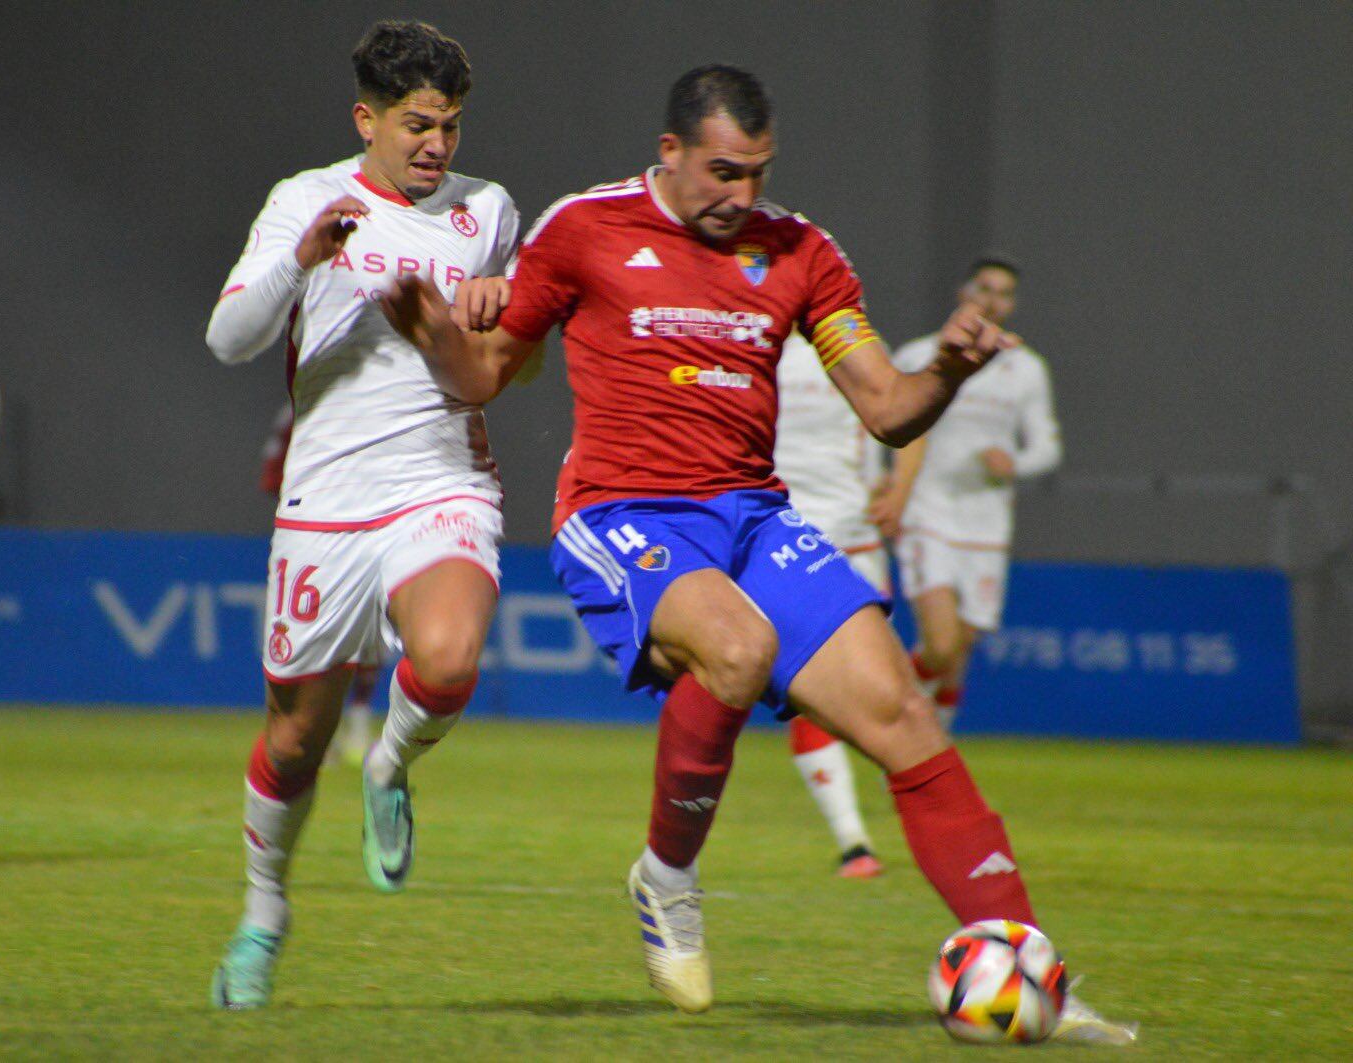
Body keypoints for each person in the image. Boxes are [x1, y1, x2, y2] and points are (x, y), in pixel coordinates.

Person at [382, 65, 1132, 1043]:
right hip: (622, 514)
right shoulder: (584, 229)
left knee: (904, 712)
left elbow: (887, 407)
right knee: (734, 647)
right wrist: (440, 336)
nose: (743, 196)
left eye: (758, 173)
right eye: (724, 173)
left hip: (752, 519)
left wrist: (945, 367)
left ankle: (1034, 971)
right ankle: (667, 874)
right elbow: (482, 377)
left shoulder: (802, 250)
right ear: (671, 154)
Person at [203, 20, 520, 1011]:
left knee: (451, 656)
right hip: (325, 502)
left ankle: (387, 763)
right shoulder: (306, 200)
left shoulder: (488, 213)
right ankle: (263, 914)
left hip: (440, 480)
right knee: (293, 741)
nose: (437, 145)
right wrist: (302, 262)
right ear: (366, 119)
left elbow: (500, 352)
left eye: (452, 127)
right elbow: (228, 340)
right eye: (418, 125)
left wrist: (495, 308)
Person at [877, 258, 1062, 728]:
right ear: (964, 292)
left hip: (987, 522)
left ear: (1013, 304)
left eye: (1003, 292)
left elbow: (1048, 446)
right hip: (929, 512)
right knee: (939, 645)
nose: (992, 299)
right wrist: (888, 483)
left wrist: (1015, 464)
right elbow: (883, 424)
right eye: (984, 287)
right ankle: (887, 717)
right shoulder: (919, 356)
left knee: (957, 652)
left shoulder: (1025, 369)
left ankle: (928, 753)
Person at [772, 331, 893, 878]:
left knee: (885, 691)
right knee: (811, 692)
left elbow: (894, 423)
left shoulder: (855, 349)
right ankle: (854, 842)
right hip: (793, 537)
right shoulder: (759, 343)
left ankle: (907, 816)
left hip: (859, 534)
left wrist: (896, 490)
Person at [259, 400, 381, 766]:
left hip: (372, 531)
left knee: (372, 629)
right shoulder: (303, 405)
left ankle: (359, 723)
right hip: (316, 536)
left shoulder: (383, 403)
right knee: (317, 634)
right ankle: (315, 727)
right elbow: (272, 476)